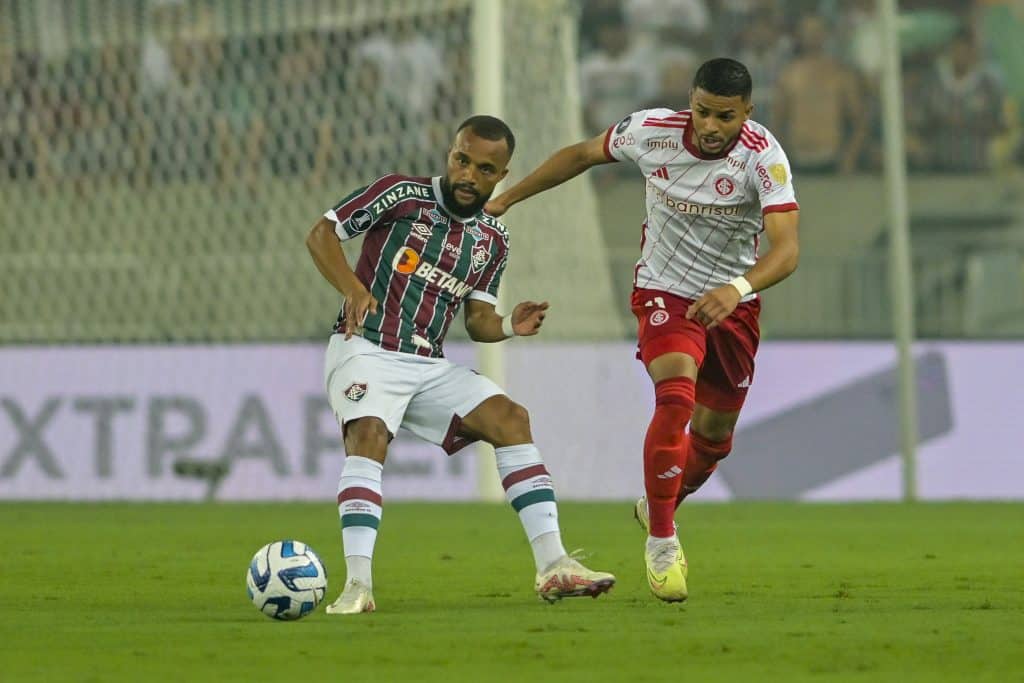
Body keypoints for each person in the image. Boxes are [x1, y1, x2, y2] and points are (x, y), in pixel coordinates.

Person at [486, 59, 800, 602]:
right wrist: (508, 197)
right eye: (702, 111)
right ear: (690, 100)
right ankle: (661, 540)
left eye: (724, 116)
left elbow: (788, 249)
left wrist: (738, 290)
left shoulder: (763, 156)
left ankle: (660, 501)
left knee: (713, 439)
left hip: (732, 304)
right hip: (664, 291)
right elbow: (582, 154)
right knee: (674, 397)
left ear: (746, 111)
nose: (709, 125)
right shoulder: (651, 132)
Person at [305, 115, 616, 614]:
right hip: (364, 348)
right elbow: (321, 234)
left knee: (511, 420)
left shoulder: (493, 239)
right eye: (462, 160)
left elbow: (477, 322)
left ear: (503, 176)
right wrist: (352, 288)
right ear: (451, 155)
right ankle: (357, 587)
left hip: (427, 363)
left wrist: (510, 325)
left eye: (485, 168)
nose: (469, 175)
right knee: (369, 435)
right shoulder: (401, 195)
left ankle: (554, 563)